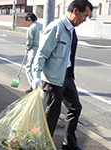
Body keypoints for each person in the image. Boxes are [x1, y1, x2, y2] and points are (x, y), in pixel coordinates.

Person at [32, 0, 93, 150]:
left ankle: (69, 143)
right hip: (53, 79)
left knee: (75, 107)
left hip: (67, 76)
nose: (85, 20)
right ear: (75, 11)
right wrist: (36, 76)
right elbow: (41, 54)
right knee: (52, 115)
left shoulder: (72, 29)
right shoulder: (56, 27)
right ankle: (43, 146)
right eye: (85, 15)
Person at [24, 12, 43, 93]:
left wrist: (27, 49)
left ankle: (33, 86)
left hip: (34, 49)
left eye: (28, 21)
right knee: (38, 68)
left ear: (30, 20)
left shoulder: (31, 28)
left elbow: (29, 42)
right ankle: (40, 85)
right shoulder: (42, 25)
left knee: (28, 67)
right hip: (42, 50)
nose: (28, 23)